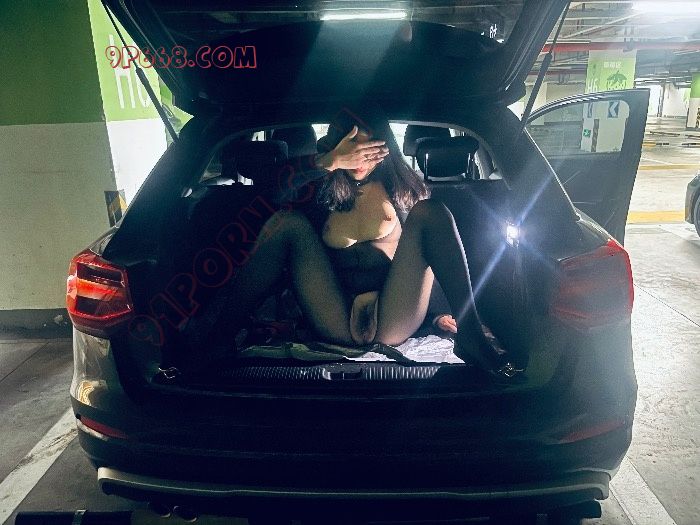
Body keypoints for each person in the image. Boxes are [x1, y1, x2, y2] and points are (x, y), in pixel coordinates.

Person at [187, 108, 521, 380]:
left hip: (394, 317)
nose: (359, 158)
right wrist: (327, 163)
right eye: (350, 149)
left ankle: (471, 337)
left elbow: (430, 260)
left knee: (433, 212)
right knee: (286, 222)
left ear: (384, 148)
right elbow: (269, 193)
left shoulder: (406, 193)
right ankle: (219, 338)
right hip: (333, 316)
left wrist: (438, 315)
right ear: (336, 147)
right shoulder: (317, 190)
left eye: (367, 148)